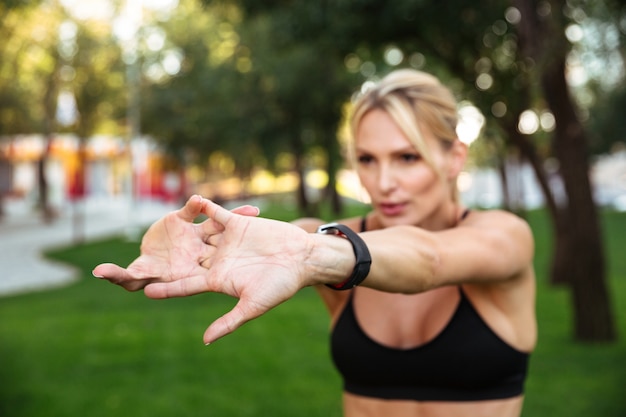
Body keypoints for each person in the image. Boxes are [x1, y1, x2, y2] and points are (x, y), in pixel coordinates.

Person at [93, 68, 536, 417]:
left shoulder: (502, 235)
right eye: (366, 159)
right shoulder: (329, 237)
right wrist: (220, 242)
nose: (384, 183)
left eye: (407, 157)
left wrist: (317, 255)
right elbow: (303, 232)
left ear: (454, 157)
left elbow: (431, 258)